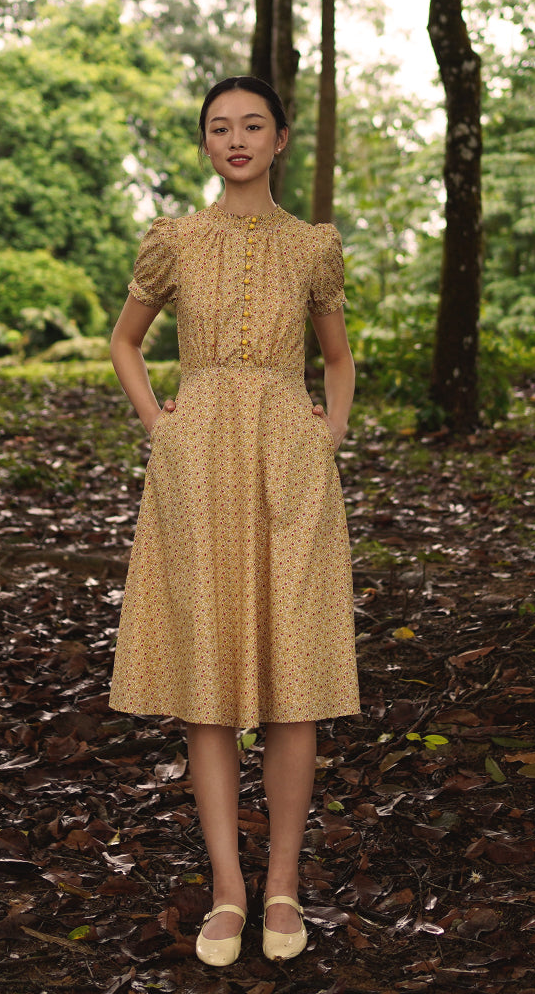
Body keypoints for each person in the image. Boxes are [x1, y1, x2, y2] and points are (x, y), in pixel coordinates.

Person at [108, 75, 359, 967]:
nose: (238, 138)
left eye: (254, 124)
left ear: (282, 139)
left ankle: (283, 882)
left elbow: (337, 356)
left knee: (295, 670)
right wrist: (158, 427)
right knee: (207, 678)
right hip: (197, 464)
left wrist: (325, 435)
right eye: (221, 127)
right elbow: (126, 340)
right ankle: (228, 889)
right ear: (206, 144)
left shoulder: (313, 246)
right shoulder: (174, 241)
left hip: (288, 465)